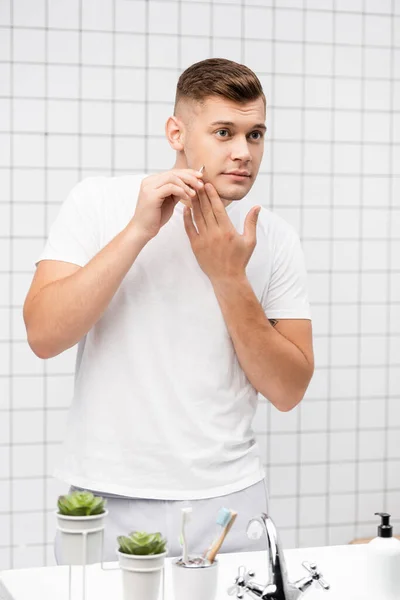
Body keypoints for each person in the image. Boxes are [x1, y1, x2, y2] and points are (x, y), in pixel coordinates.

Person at [23, 58, 314, 562]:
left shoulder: (274, 237)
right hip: (103, 494)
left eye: (256, 134)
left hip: (226, 500)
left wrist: (228, 277)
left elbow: (288, 390)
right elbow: (44, 336)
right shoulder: (98, 202)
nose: (243, 152)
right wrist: (138, 231)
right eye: (224, 132)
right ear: (176, 132)